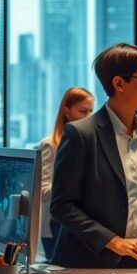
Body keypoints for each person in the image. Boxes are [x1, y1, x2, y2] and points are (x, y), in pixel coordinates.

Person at [50, 43, 137, 268]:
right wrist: (112, 241)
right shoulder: (80, 134)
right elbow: (62, 206)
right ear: (119, 83)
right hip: (89, 264)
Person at [37, 87, 95, 261]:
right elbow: (43, 190)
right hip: (56, 226)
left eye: (91, 111)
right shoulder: (50, 145)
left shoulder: (89, 143)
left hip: (82, 225)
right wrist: (73, 188)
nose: (88, 117)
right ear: (67, 111)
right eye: (83, 111)